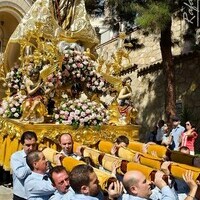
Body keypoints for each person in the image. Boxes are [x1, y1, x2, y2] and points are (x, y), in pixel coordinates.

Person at [10, 131, 38, 200]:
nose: (31, 148)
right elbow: (21, 174)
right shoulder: (16, 157)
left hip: (35, 195)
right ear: (22, 144)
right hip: (21, 195)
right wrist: (34, 163)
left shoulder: (40, 155)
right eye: (28, 145)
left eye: (33, 145)